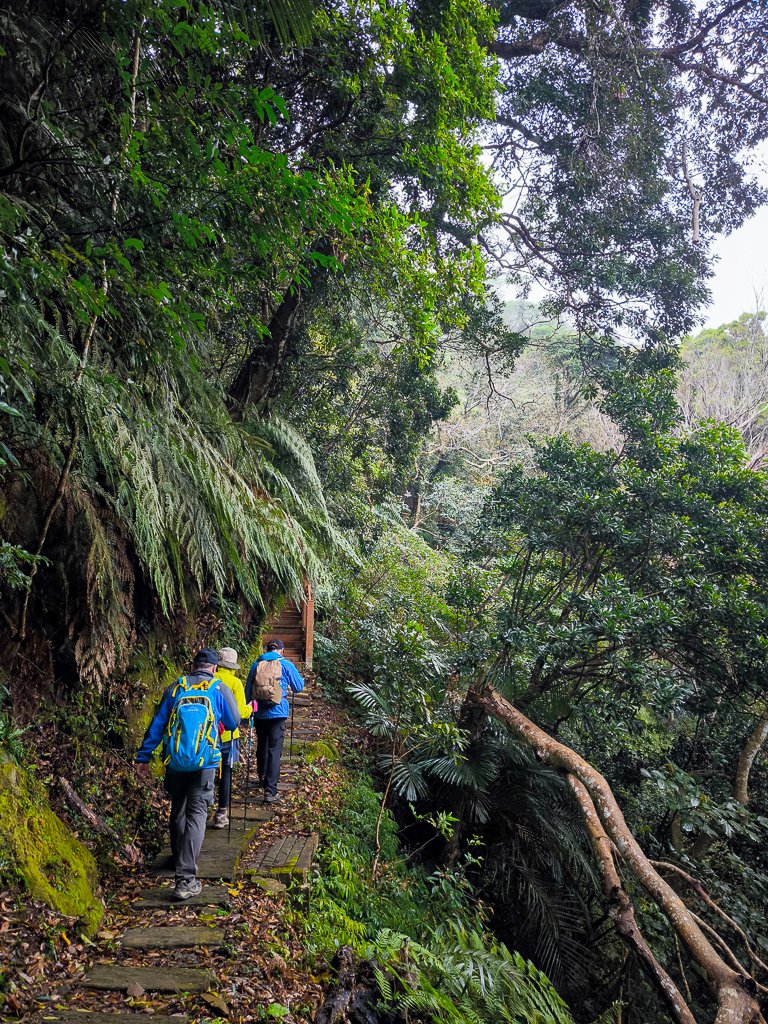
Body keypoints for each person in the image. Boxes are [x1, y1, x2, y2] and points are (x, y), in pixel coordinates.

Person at [135, 648, 239, 900]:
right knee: (197, 815)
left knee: (178, 808)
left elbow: (157, 725)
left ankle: (177, 858)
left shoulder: (175, 688)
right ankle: (186, 880)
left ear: (192, 666)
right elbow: (234, 722)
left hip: (175, 762)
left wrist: (143, 757)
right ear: (214, 668)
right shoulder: (218, 689)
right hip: (205, 764)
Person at [245, 639, 304, 804]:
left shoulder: (256, 664)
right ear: (282, 651)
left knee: (262, 744)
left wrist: (248, 710)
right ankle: (270, 790)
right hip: (278, 712)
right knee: (274, 749)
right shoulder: (286, 665)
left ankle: (262, 777)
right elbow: (298, 687)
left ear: (266, 650)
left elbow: (248, 690)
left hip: (259, 711)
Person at [211, 646, 252, 829]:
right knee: (226, 772)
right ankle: (221, 813)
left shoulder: (209, 679)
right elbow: (241, 712)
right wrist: (251, 708)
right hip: (228, 735)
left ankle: (202, 808)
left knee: (207, 770)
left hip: (207, 735)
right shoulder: (235, 683)